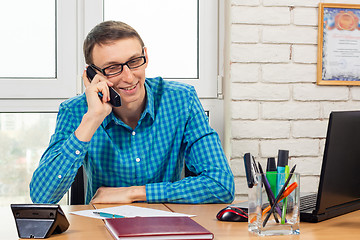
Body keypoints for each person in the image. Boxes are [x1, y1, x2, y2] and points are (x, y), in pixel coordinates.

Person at [30, 20, 234, 204]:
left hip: (167, 225)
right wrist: (92, 120)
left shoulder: (182, 99)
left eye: (135, 61)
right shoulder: (75, 111)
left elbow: (221, 184)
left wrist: (133, 193)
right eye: (112, 68)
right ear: (93, 74)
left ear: (146, 55)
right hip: (101, 228)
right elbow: (42, 197)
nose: (128, 77)